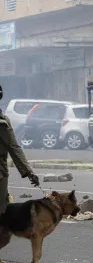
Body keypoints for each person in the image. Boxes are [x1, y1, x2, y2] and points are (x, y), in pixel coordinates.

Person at [0, 84, 40, 215]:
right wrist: (30, 172)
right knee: (2, 213)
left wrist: (29, 172)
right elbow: (14, 148)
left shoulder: (3, 121)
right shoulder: (3, 122)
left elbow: (14, 148)